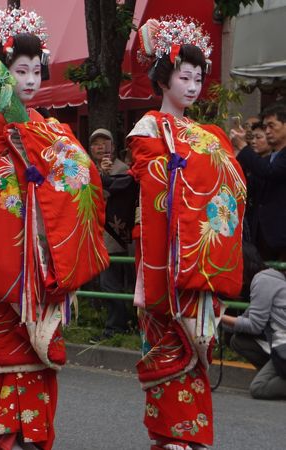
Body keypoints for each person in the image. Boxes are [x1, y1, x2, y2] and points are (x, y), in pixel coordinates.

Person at [0, 8, 108, 449]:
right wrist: (28, 152)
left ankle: (36, 438)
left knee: (41, 363)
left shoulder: (54, 127)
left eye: (34, 71)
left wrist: (43, 162)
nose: (29, 80)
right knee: (9, 354)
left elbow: (78, 175)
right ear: (0, 73)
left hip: (46, 261)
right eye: (17, 71)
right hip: (12, 259)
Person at [128, 17, 247, 450]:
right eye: (184, 76)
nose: (193, 86)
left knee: (196, 348)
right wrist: (202, 169)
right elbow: (153, 180)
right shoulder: (146, 129)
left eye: (199, 78)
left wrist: (203, 167)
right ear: (163, 78)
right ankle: (167, 436)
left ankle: (192, 435)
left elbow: (231, 187)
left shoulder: (211, 134)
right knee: (165, 338)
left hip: (200, 252)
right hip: (164, 254)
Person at [222, 243, 286, 400]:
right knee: (238, 341)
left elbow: (254, 326)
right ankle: (277, 377)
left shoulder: (262, 280)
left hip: (282, 346)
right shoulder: (265, 277)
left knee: (258, 388)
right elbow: (243, 322)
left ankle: (274, 379)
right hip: (279, 346)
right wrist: (219, 319)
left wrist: (219, 315)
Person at [88, 128, 135, 342]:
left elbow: (110, 195)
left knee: (112, 282)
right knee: (105, 283)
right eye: (96, 144)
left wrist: (104, 176)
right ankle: (114, 322)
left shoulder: (123, 169)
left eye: (104, 143)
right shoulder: (86, 169)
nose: (100, 147)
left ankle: (117, 326)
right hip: (93, 233)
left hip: (114, 235)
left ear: (113, 147)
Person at [231, 103, 286, 262]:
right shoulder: (269, 159)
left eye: (271, 126)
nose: (267, 131)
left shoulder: (275, 162)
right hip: (262, 234)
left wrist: (243, 147)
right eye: (265, 126)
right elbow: (251, 185)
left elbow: (270, 172)